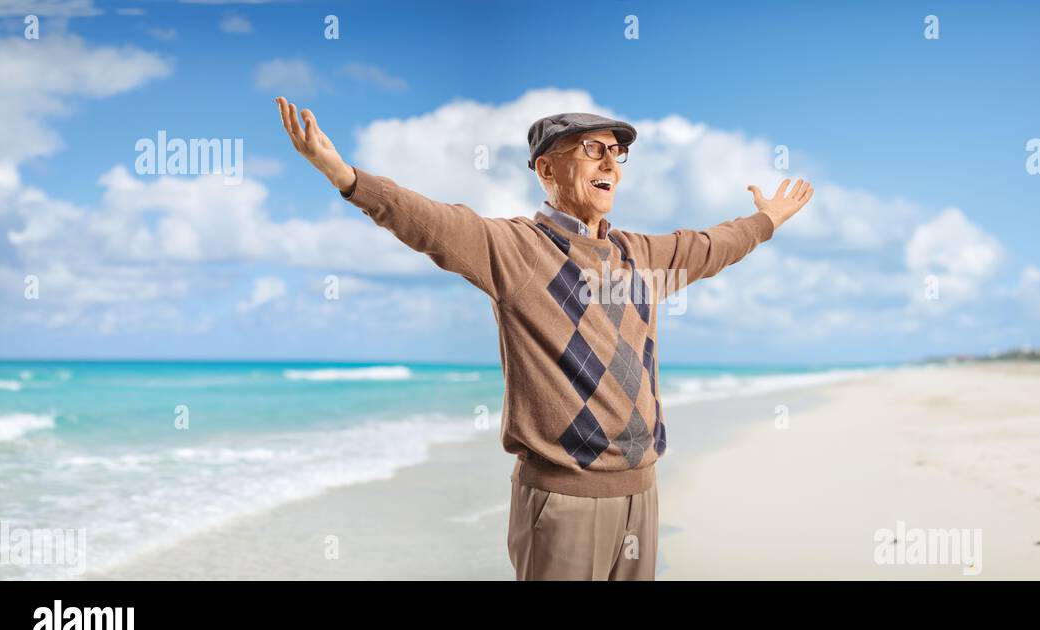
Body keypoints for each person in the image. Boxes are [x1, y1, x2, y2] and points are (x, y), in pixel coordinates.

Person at [275, 97, 814, 580]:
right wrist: (346, 177)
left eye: (616, 153)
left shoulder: (641, 257)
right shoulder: (517, 250)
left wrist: (766, 220)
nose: (610, 163)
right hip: (562, 502)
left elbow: (711, 245)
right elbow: (430, 223)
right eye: (592, 149)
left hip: (642, 495)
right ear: (547, 167)